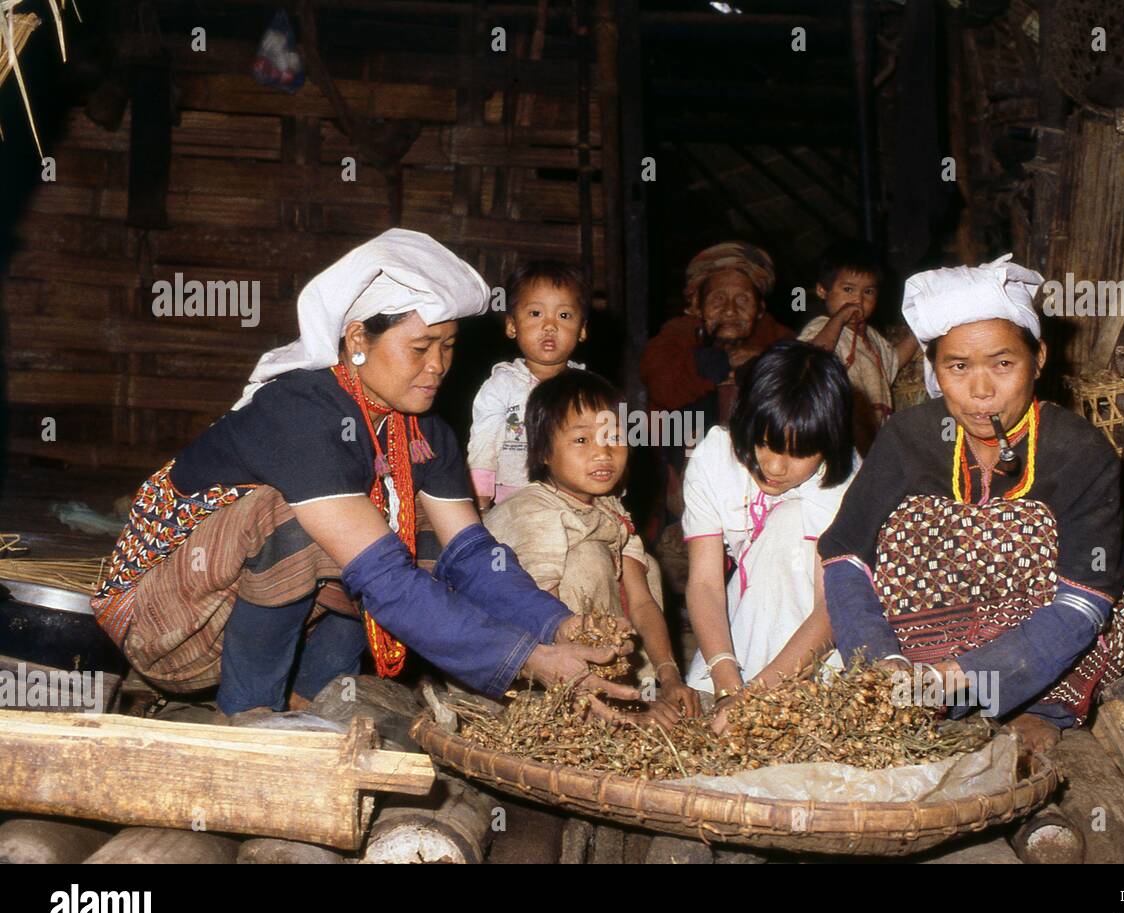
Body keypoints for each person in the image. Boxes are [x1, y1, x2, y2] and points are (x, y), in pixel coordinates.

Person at [91, 230, 638, 719]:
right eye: (420, 348)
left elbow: (471, 556)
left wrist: (557, 625)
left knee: (415, 533)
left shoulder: (425, 431)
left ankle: (311, 701)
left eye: (448, 347)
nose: (438, 367)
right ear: (357, 340)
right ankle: (248, 713)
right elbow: (383, 579)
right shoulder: (300, 412)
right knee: (303, 522)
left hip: (247, 616)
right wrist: (530, 660)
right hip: (164, 622)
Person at [817, 254, 1124, 752]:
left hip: (1039, 659)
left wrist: (960, 677)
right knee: (914, 519)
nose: (981, 392)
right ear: (934, 368)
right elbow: (846, 556)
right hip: (911, 662)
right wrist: (881, 667)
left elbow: (1085, 598)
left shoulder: (1078, 451)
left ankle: (1040, 708)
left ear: (1038, 358)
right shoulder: (907, 439)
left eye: (1003, 364)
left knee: (1024, 522)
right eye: (958, 367)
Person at [484, 370, 701, 725]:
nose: (603, 453)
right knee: (589, 557)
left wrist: (670, 676)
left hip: (594, 653)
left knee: (646, 564)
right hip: (530, 669)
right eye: (582, 440)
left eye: (613, 437)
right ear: (544, 453)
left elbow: (642, 601)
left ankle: (629, 691)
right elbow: (539, 612)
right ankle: (586, 709)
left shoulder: (610, 508)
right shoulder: (533, 511)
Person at [681, 341, 859, 724]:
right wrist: (728, 683)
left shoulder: (842, 479)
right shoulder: (714, 457)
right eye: (764, 443)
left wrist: (756, 699)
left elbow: (832, 609)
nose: (775, 467)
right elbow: (706, 582)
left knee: (788, 525)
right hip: (748, 614)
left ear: (829, 444)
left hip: (823, 642)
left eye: (798, 454)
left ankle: (808, 699)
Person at [639, 241, 794, 524]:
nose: (731, 311)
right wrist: (725, 362)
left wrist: (761, 361)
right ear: (696, 306)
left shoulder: (778, 339)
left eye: (744, 300)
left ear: (760, 308)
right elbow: (662, 383)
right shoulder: (676, 336)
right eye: (718, 300)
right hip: (679, 492)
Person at [467, 259, 587, 511]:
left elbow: (603, 444)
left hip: (572, 501)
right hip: (513, 501)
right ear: (512, 325)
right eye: (535, 313)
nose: (550, 325)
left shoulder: (586, 389)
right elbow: (483, 441)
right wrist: (480, 496)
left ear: (582, 330)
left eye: (564, 315)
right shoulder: (502, 385)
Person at [798, 240, 919, 454]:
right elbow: (811, 356)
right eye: (848, 289)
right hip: (838, 431)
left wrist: (919, 329)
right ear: (822, 290)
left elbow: (894, 361)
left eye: (868, 292)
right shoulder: (822, 327)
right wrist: (840, 318)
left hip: (874, 433)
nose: (858, 300)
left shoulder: (872, 337)